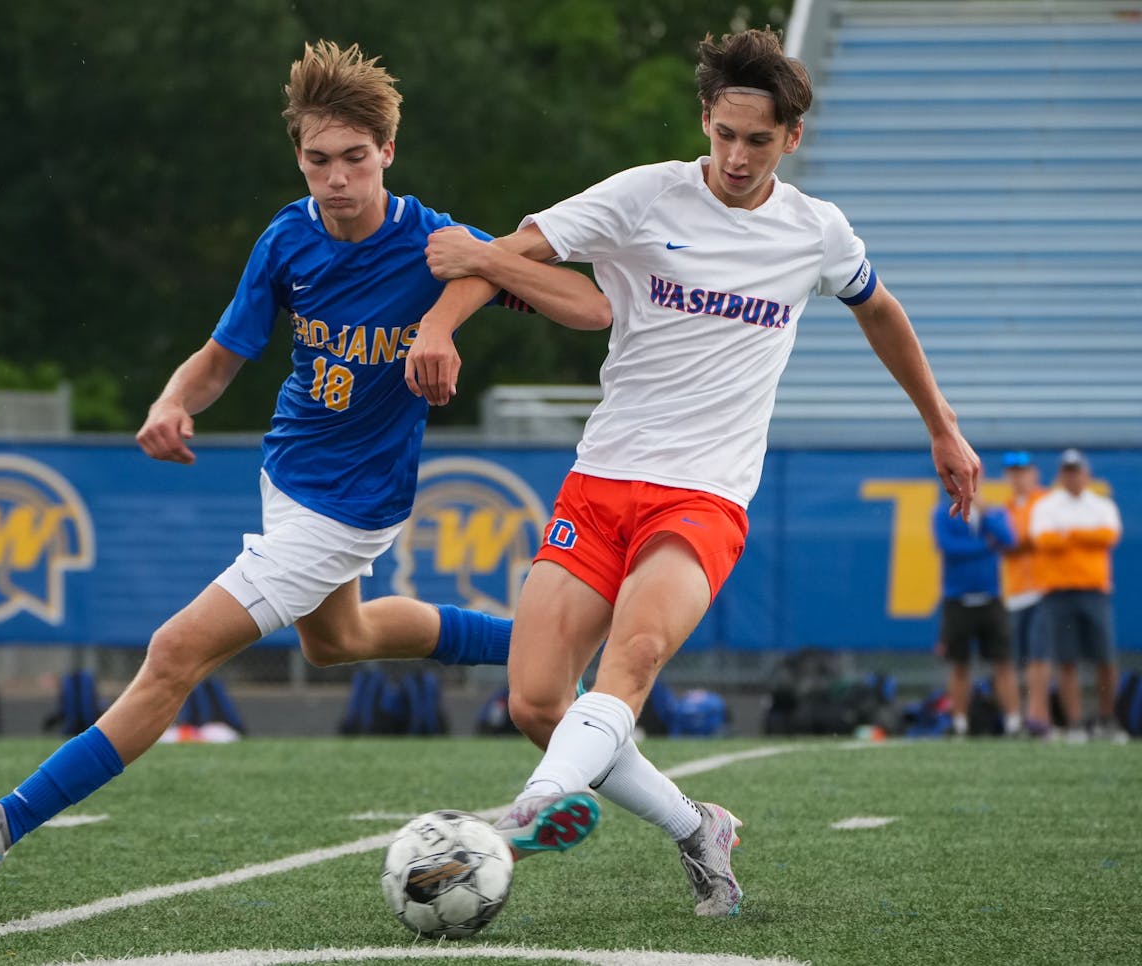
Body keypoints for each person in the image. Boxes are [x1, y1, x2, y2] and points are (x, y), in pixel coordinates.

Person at [0, 40, 611, 884]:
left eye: (356, 159)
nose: (338, 180)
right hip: (286, 476)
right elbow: (220, 357)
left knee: (175, 651)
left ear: (388, 152)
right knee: (339, 639)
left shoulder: (437, 243)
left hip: (350, 505)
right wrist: (172, 402)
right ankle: (539, 648)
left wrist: (449, 313)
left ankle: (4, 824)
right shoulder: (287, 238)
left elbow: (590, 303)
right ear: (298, 156)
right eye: (319, 160)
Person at [405, 27, 981, 917]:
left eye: (759, 140)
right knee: (533, 703)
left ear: (792, 139)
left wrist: (942, 428)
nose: (739, 157)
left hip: (706, 493)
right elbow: (509, 251)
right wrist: (441, 326)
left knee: (628, 665)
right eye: (725, 135)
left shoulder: (815, 231)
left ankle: (532, 808)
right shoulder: (642, 197)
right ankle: (696, 827)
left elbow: (883, 312)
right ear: (705, 121)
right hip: (600, 481)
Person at [1031, 448, 1124, 743]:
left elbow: (1108, 536)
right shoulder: (1047, 505)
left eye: (1077, 471)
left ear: (1087, 474)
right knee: (1066, 660)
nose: (1073, 477)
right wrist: (1085, 536)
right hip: (1058, 592)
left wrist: (1068, 536)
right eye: (1068, 472)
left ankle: (1107, 719)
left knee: (1105, 659)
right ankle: (1075, 723)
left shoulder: (1101, 505)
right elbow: (1043, 540)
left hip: (1094, 590)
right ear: (1061, 475)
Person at [931, 491, 1021, 736]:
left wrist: (987, 515)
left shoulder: (994, 512)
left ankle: (1014, 722)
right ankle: (959, 722)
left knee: (1002, 662)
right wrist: (986, 545)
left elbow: (1010, 540)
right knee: (959, 664)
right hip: (957, 599)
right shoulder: (943, 512)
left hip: (990, 598)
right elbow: (949, 546)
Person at [999, 450, 1052, 736]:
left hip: (1043, 589)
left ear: (1034, 474)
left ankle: (1038, 715)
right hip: (1015, 591)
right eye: (1013, 472)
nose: (1018, 477)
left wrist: (1014, 541)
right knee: (1018, 658)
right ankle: (1019, 718)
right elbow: (1007, 541)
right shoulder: (1007, 507)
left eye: (1023, 471)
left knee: (1038, 655)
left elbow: (1026, 539)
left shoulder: (1045, 502)